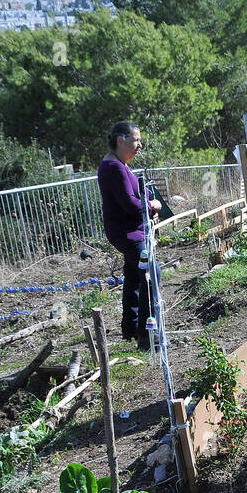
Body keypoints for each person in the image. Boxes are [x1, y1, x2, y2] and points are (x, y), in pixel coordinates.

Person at [98, 121, 162, 341]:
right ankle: (147, 336)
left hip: (131, 231)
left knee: (135, 277)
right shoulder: (114, 168)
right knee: (151, 274)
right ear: (120, 140)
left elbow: (137, 195)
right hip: (128, 234)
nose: (140, 145)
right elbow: (129, 203)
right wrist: (152, 205)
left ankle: (131, 327)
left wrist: (150, 206)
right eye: (136, 140)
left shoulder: (119, 165)